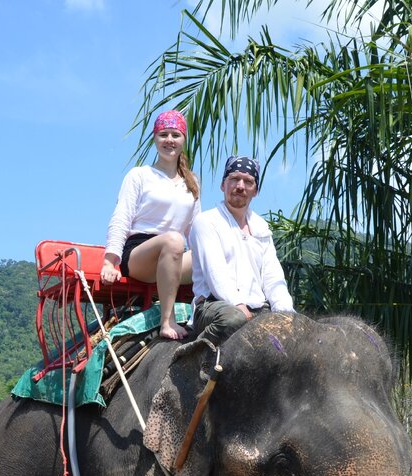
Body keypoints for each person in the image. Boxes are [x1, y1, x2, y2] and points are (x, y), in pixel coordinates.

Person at [100, 109, 201, 340]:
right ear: (155, 139)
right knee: (174, 240)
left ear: (184, 139)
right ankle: (168, 321)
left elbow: (196, 230)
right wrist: (109, 262)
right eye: (163, 134)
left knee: (213, 252)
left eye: (175, 135)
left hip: (174, 258)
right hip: (140, 255)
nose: (169, 140)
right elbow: (121, 217)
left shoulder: (192, 182)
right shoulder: (139, 176)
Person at [188, 155, 295, 344]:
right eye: (234, 179)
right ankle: (194, 352)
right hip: (215, 307)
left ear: (256, 191)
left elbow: (273, 277)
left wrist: (285, 313)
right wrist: (238, 305)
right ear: (223, 185)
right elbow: (216, 273)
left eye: (248, 181)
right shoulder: (206, 221)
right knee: (233, 319)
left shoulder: (261, 228)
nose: (240, 186)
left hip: (256, 309)